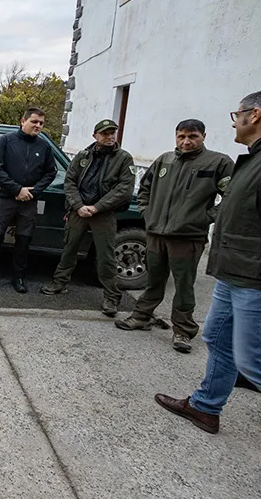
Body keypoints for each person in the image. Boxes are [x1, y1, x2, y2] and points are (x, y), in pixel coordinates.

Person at [155, 91, 261, 434]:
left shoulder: (223, 162)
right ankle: (205, 407)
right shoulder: (251, 160)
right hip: (233, 271)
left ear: (254, 115)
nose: (235, 120)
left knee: (253, 362)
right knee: (217, 336)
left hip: (252, 275)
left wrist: (202, 221)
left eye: (237, 114)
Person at [115, 119, 234, 352]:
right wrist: (147, 214)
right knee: (154, 280)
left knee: (184, 286)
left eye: (192, 136)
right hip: (156, 233)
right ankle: (141, 316)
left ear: (203, 136)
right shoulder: (164, 160)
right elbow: (145, 190)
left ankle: (183, 331)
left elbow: (231, 198)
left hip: (188, 237)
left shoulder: (218, 162)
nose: (186, 141)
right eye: (181, 136)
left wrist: (205, 217)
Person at [41, 120, 135, 316]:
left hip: (103, 213)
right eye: (105, 134)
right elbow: (70, 182)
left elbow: (124, 189)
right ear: (95, 136)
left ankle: (111, 297)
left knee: (106, 255)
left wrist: (97, 207)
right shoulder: (83, 156)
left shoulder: (123, 159)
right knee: (69, 248)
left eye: (112, 133)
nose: (109, 137)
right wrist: (79, 206)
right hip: (78, 210)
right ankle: (59, 282)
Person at [0, 107, 58, 293]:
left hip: (29, 201)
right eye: (34, 121)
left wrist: (34, 191)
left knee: (23, 241)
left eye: (41, 123)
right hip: (5, 198)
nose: (38, 126)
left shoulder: (43, 147)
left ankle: (18, 277)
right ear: (23, 121)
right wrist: (16, 189)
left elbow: (51, 172)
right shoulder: (5, 141)